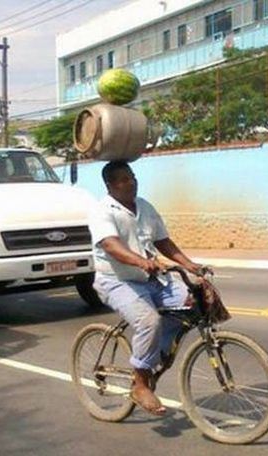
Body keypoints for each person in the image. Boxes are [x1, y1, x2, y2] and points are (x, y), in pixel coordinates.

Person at [88, 161, 204, 417]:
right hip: (117, 281)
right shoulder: (102, 210)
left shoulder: (145, 206)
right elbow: (110, 245)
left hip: (151, 279)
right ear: (109, 185)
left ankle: (154, 354)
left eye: (132, 177)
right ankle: (140, 385)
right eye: (123, 179)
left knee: (192, 302)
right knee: (149, 321)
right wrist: (142, 262)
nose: (131, 182)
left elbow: (163, 241)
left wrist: (190, 265)